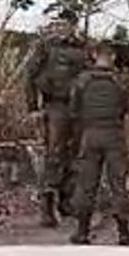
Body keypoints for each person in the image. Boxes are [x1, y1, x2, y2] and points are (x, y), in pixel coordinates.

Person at [68, 41, 129, 246]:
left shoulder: (81, 80)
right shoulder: (121, 81)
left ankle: (82, 232)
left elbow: (73, 110)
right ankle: (124, 232)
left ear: (94, 55)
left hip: (90, 135)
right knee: (118, 184)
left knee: (86, 184)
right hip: (114, 135)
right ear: (113, 57)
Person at [24, 17, 88, 228]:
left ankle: (66, 201)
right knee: (54, 154)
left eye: (65, 24)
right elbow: (30, 76)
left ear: (73, 27)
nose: (61, 29)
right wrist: (32, 108)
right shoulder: (44, 48)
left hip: (79, 108)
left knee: (75, 154)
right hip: (55, 106)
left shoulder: (82, 48)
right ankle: (46, 207)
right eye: (57, 24)